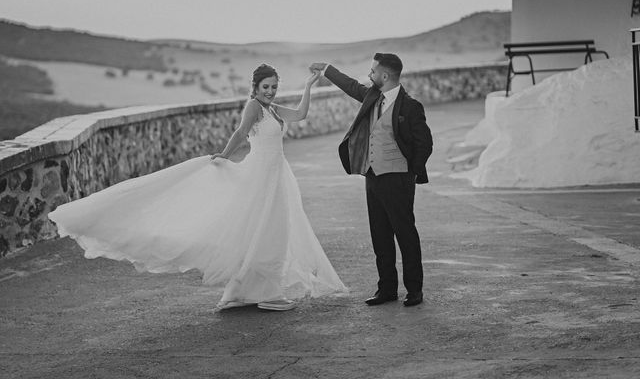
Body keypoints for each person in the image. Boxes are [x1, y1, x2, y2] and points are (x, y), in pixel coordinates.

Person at [49, 64, 347, 312]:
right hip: (260, 176)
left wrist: (309, 85)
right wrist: (224, 157)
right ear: (254, 88)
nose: (269, 91)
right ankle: (266, 293)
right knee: (264, 229)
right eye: (265, 87)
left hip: (278, 176)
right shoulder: (254, 107)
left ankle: (246, 291)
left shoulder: (272, 110)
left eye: (273, 87)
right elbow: (241, 133)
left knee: (270, 230)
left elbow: (301, 114)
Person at [310, 53, 432, 307]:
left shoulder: (410, 106)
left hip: (399, 179)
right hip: (372, 176)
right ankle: (386, 289)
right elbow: (352, 86)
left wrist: (410, 172)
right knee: (380, 234)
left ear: (385, 76)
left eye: (373, 71)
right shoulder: (372, 96)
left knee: (405, 234)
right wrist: (327, 70)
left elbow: (425, 143)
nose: (369, 74)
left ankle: (414, 290)